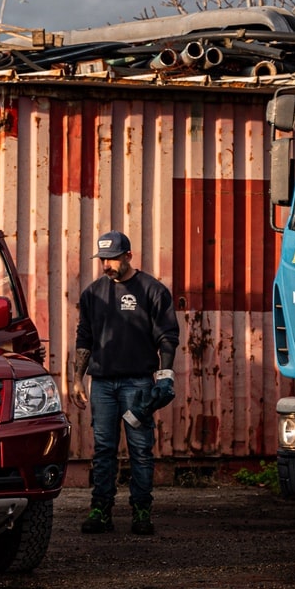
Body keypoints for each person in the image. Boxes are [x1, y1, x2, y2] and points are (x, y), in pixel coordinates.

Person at [70, 230, 179, 536]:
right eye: (103, 259)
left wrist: (165, 375)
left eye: (113, 259)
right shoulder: (92, 294)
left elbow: (167, 336)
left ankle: (142, 510)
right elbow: (84, 337)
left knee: (140, 449)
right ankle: (100, 510)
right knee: (103, 449)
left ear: (128, 256)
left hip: (137, 384)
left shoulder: (152, 290)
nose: (106, 265)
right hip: (102, 383)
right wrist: (77, 378)